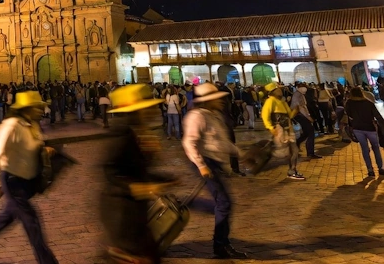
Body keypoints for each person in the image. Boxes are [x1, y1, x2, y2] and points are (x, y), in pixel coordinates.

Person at [0, 91, 57, 264]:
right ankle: (47, 261)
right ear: (27, 108)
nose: (41, 110)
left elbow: (33, 146)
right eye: (38, 107)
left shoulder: (32, 124)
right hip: (12, 179)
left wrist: (45, 150)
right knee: (31, 220)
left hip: (26, 179)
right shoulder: (11, 125)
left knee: (8, 215)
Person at [100, 84, 173, 264]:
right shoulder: (122, 133)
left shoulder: (139, 133)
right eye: (147, 107)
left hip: (135, 212)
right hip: (121, 213)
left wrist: (163, 179)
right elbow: (109, 170)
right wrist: (134, 186)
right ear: (135, 111)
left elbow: (137, 170)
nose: (152, 110)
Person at [182, 83, 247, 259]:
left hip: (215, 162)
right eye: (217, 98)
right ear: (208, 101)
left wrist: (240, 154)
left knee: (223, 203)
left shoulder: (214, 115)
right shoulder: (197, 116)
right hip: (206, 162)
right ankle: (220, 246)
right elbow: (189, 142)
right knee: (224, 203)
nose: (221, 101)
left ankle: (191, 204)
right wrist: (201, 165)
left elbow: (221, 142)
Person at [260, 83, 304, 180]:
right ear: (273, 91)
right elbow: (265, 115)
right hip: (280, 129)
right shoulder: (270, 101)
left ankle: (292, 171)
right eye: (278, 89)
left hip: (288, 129)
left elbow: (289, 116)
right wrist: (271, 128)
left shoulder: (282, 102)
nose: (280, 90)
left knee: (294, 151)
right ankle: (292, 171)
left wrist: (295, 110)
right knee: (289, 152)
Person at [344, 86, 384, 177]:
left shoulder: (349, 103)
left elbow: (349, 114)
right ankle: (380, 168)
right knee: (376, 148)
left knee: (365, 149)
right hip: (370, 128)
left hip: (357, 128)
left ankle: (370, 170)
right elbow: (377, 116)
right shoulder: (368, 103)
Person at [290, 82, 322, 159]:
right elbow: (301, 107)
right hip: (300, 115)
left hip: (300, 115)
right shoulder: (298, 95)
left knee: (307, 132)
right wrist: (308, 117)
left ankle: (297, 143)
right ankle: (310, 152)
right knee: (311, 132)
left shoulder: (299, 94)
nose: (305, 88)